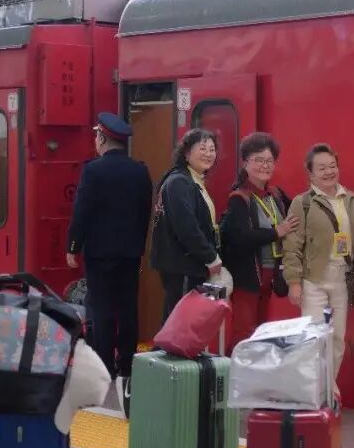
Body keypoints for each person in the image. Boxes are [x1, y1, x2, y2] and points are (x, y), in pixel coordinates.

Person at [282, 143, 354, 381]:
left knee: (337, 338)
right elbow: (292, 246)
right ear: (310, 173)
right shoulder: (302, 203)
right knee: (314, 339)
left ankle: (328, 390)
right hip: (314, 280)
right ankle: (311, 391)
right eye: (322, 168)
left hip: (343, 277)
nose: (329, 172)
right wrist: (294, 282)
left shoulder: (352, 200)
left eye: (332, 166)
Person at [66, 113, 153, 389]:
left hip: (100, 253)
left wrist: (73, 246)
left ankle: (104, 365)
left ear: (102, 138)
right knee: (128, 309)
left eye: (96, 136)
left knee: (102, 309)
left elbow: (82, 212)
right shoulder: (140, 171)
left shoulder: (93, 171)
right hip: (130, 253)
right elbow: (144, 214)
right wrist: (138, 248)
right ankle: (127, 364)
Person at [219, 132, 299, 350]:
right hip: (246, 278)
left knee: (261, 334)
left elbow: (299, 212)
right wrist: (276, 232)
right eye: (259, 160)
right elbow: (240, 238)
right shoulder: (239, 198)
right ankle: (235, 371)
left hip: (269, 278)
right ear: (246, 163)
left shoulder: (275, 195)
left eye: (269, 161)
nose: (265, 165)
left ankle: (254, 371)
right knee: (243, 335)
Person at [150, 129, 222, 319]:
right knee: (181, 320)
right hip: (183, 266)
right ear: (187, 152)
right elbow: (187, 228)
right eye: (202, 148)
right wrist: (211, 257)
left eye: (212, 149)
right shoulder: (179, 182)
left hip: (190, 264)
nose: (208, 154)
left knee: (182, 318)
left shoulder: (193, 180)